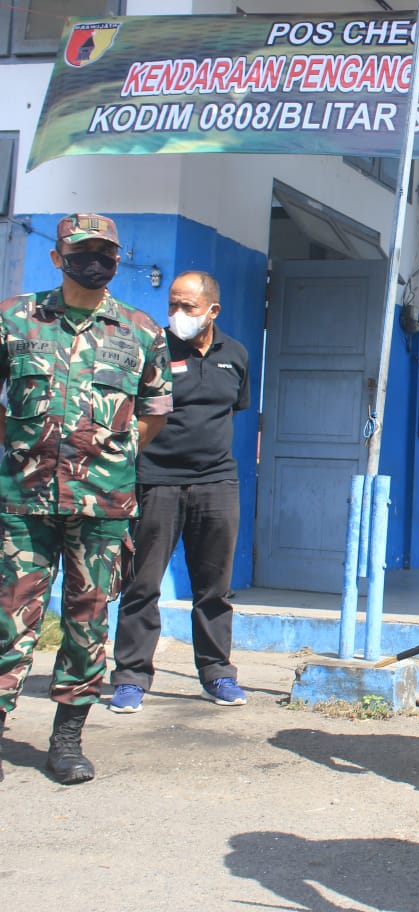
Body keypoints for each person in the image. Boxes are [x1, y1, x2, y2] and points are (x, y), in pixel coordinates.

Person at [0, 214, 172, 784]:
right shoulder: (14, 319)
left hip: (102, 507)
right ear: (59, 256)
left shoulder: (141, 331)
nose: (94, 260)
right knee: (9, 620)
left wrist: (106, 458)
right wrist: (27, 449)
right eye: (83, 250)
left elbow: (153, 414)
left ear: (117, 261)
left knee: (88, 620)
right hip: (23, 502)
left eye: (105, 252)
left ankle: (67, 739)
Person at [108, 271, 252, 713]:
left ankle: (217, 675)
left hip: (217, 483)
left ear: (212, 311)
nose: (177, 315)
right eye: (173, 304)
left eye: (188, 307)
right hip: (157, 481)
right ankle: (132, 678)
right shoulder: (154, 347)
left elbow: (235, 408)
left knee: (214, 588)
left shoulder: (237, 355)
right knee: (142, 584)